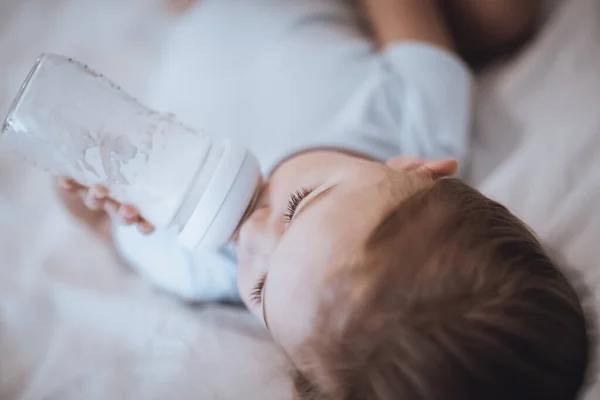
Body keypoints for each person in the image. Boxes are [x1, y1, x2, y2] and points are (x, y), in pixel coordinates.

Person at [57, 0, 590, 399]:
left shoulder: (192, 261)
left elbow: (94, 219)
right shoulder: (418, 125)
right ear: (417, 171)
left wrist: (95, 189)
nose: (251, 235)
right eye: (299, 205)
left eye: (262, 292)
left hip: (203, 10)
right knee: (502, 14)